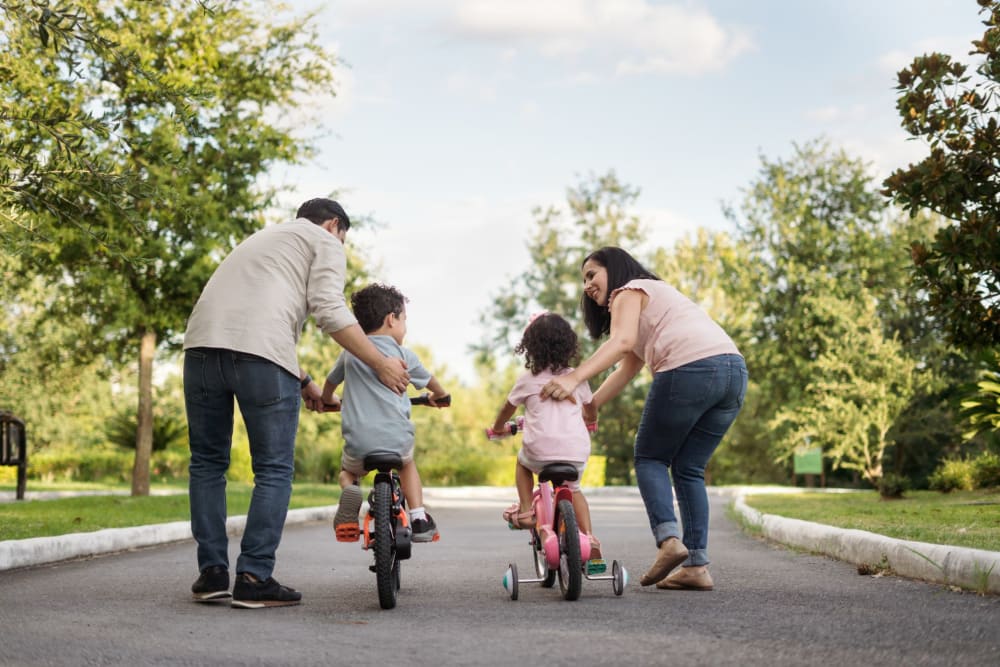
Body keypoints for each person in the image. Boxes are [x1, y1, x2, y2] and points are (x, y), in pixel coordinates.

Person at [183, 198, 410, 609]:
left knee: (207, 462)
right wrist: (379, 363)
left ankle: (212, 574)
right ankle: (253, 575)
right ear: (334, 225)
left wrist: (304, 381)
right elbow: (327, 307)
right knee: (272, 468)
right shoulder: (325, 241)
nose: (341, 242)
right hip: (261, 357)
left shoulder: (264, 239)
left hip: (200, 348)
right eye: (343, 235)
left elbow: (254, 319)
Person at [540, 247, 747, 591]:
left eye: (592, 274)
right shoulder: (659, 297)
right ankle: (696, 566)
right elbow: (630, 364)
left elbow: (620, 343)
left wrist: (573, 379)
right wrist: (592, 404)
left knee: (650, 456)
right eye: (584, 281)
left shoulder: (629, 289)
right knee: (688, 468)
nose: (588, 286)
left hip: (689, 368)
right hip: (733, 372)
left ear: (615, 268)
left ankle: (669, 540)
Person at [322, 283, 449, 544]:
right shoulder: (404, 355)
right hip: (396, 440)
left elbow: (330, 383)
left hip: (359, 443)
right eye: (404, 320)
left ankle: (351, 491)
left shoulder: (350, 353)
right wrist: (440, 397)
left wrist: (328, 401)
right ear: (392, 320)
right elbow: (434, 385)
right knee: (407, 463)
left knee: (347, 472)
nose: (405, 327)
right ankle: (418, 517)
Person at [490, 312, 602, 561]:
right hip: (574, 452)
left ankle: (528, 510)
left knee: (522, 462)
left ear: (530, 348)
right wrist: (590, 420)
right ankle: (589, 537)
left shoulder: (527, 380)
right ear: (568, 345)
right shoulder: (576, 378)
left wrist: (498, 427)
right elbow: (591, 406)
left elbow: (507, 409)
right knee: (575, 489)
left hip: (539, 454)